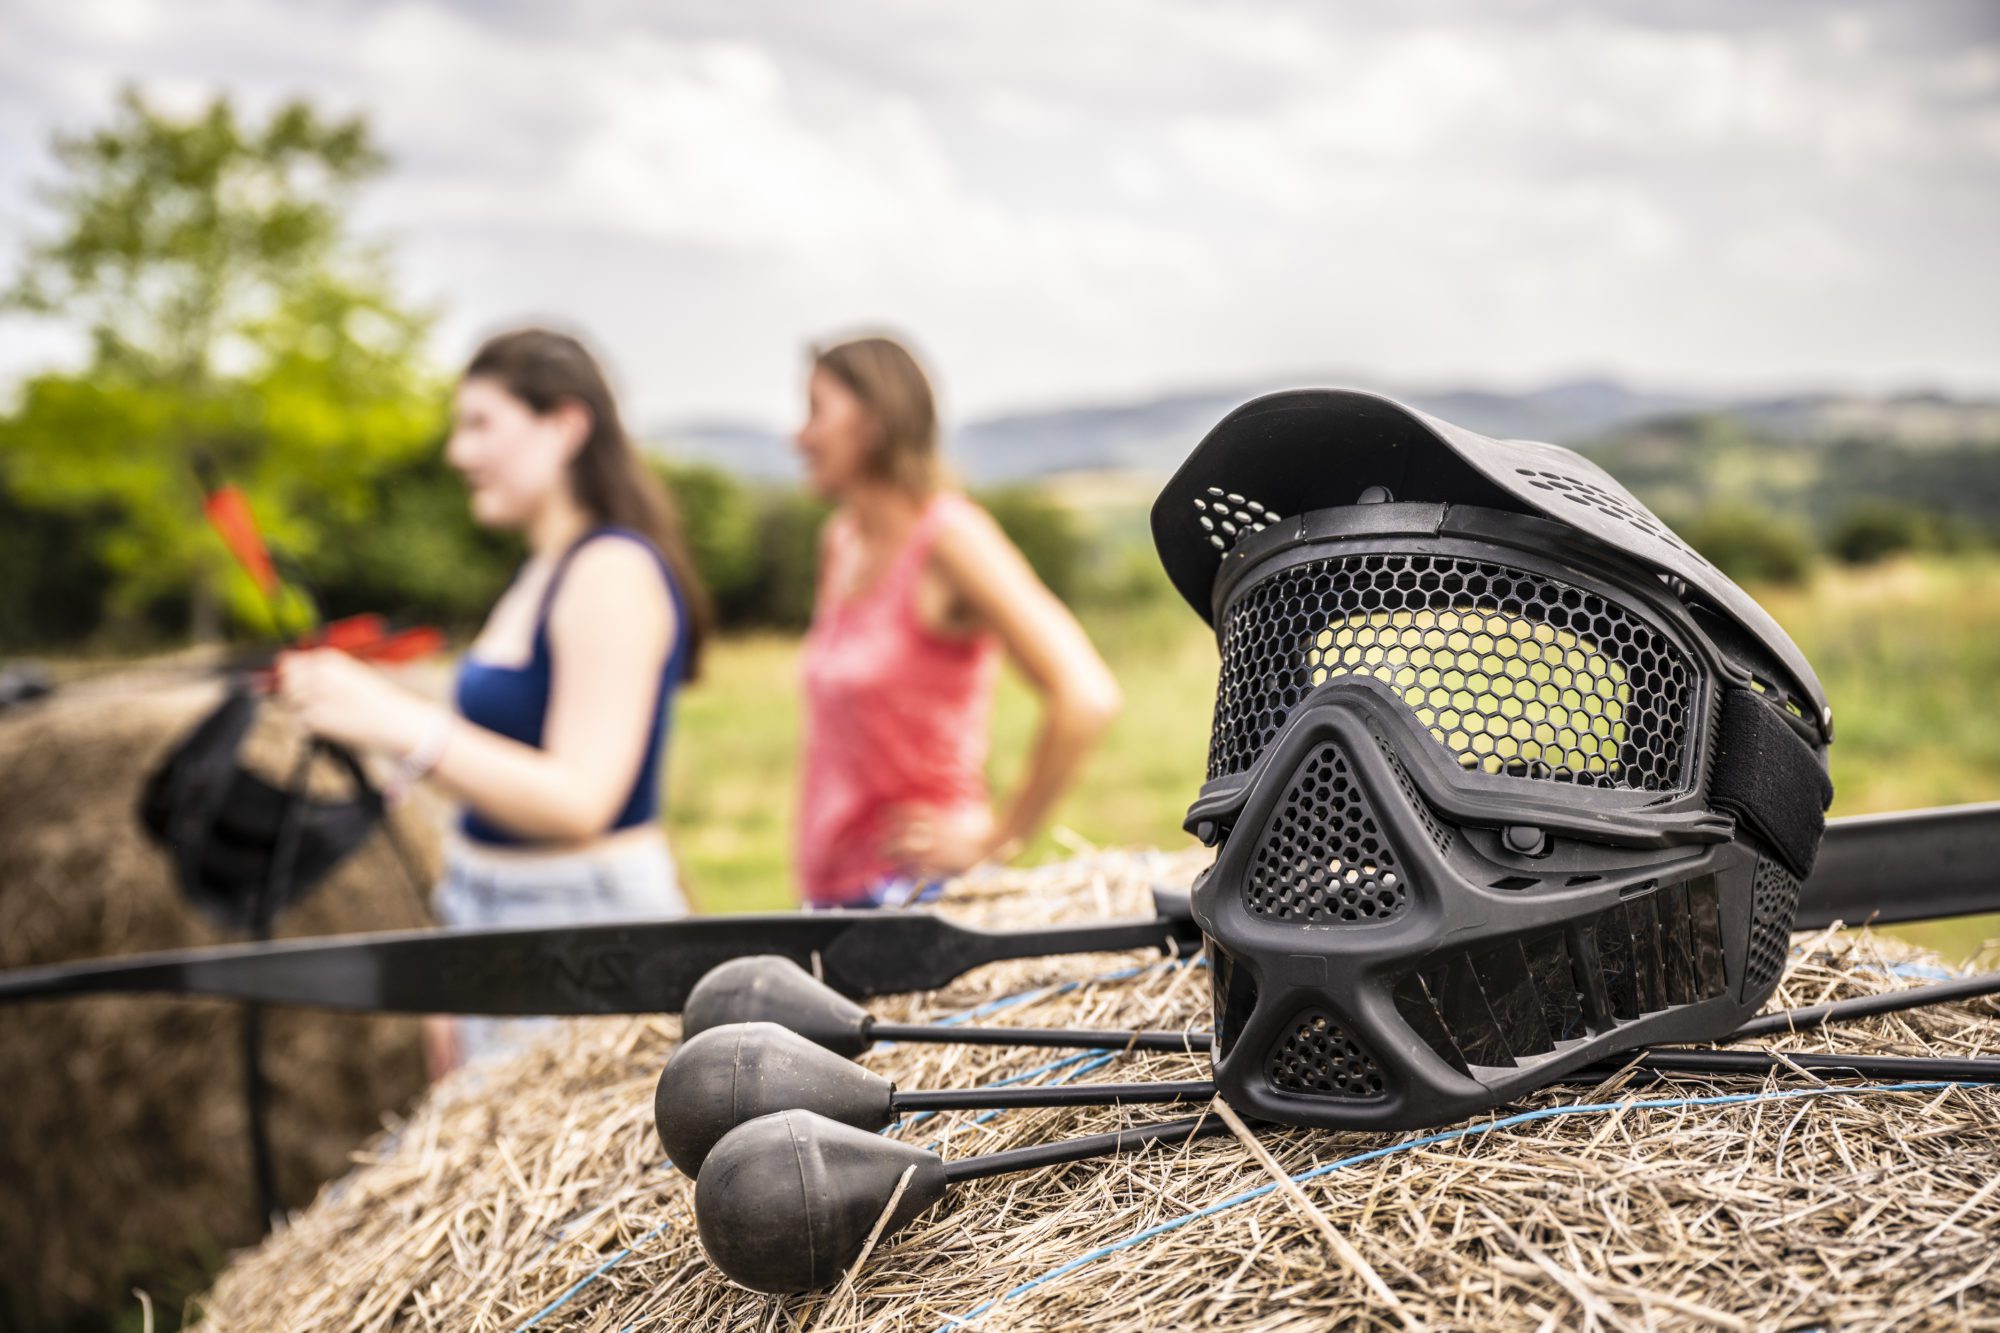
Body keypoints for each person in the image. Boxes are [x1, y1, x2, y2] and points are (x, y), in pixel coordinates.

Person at [277, 327, 711, 1070]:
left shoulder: (610, 569)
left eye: (481, 423)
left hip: (583, 939)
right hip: (496, 924)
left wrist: (399, 722)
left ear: (566, 425)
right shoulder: (541, 571)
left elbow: (581, 801)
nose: (458, 453)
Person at [794, 334, 1122, 908]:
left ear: (873, 421)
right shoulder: (840, 540)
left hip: (916, 893)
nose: (800, 437)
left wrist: (998, 841)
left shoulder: (950, 539)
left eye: (817, 411)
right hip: (829, 896)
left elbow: (1086, 695)